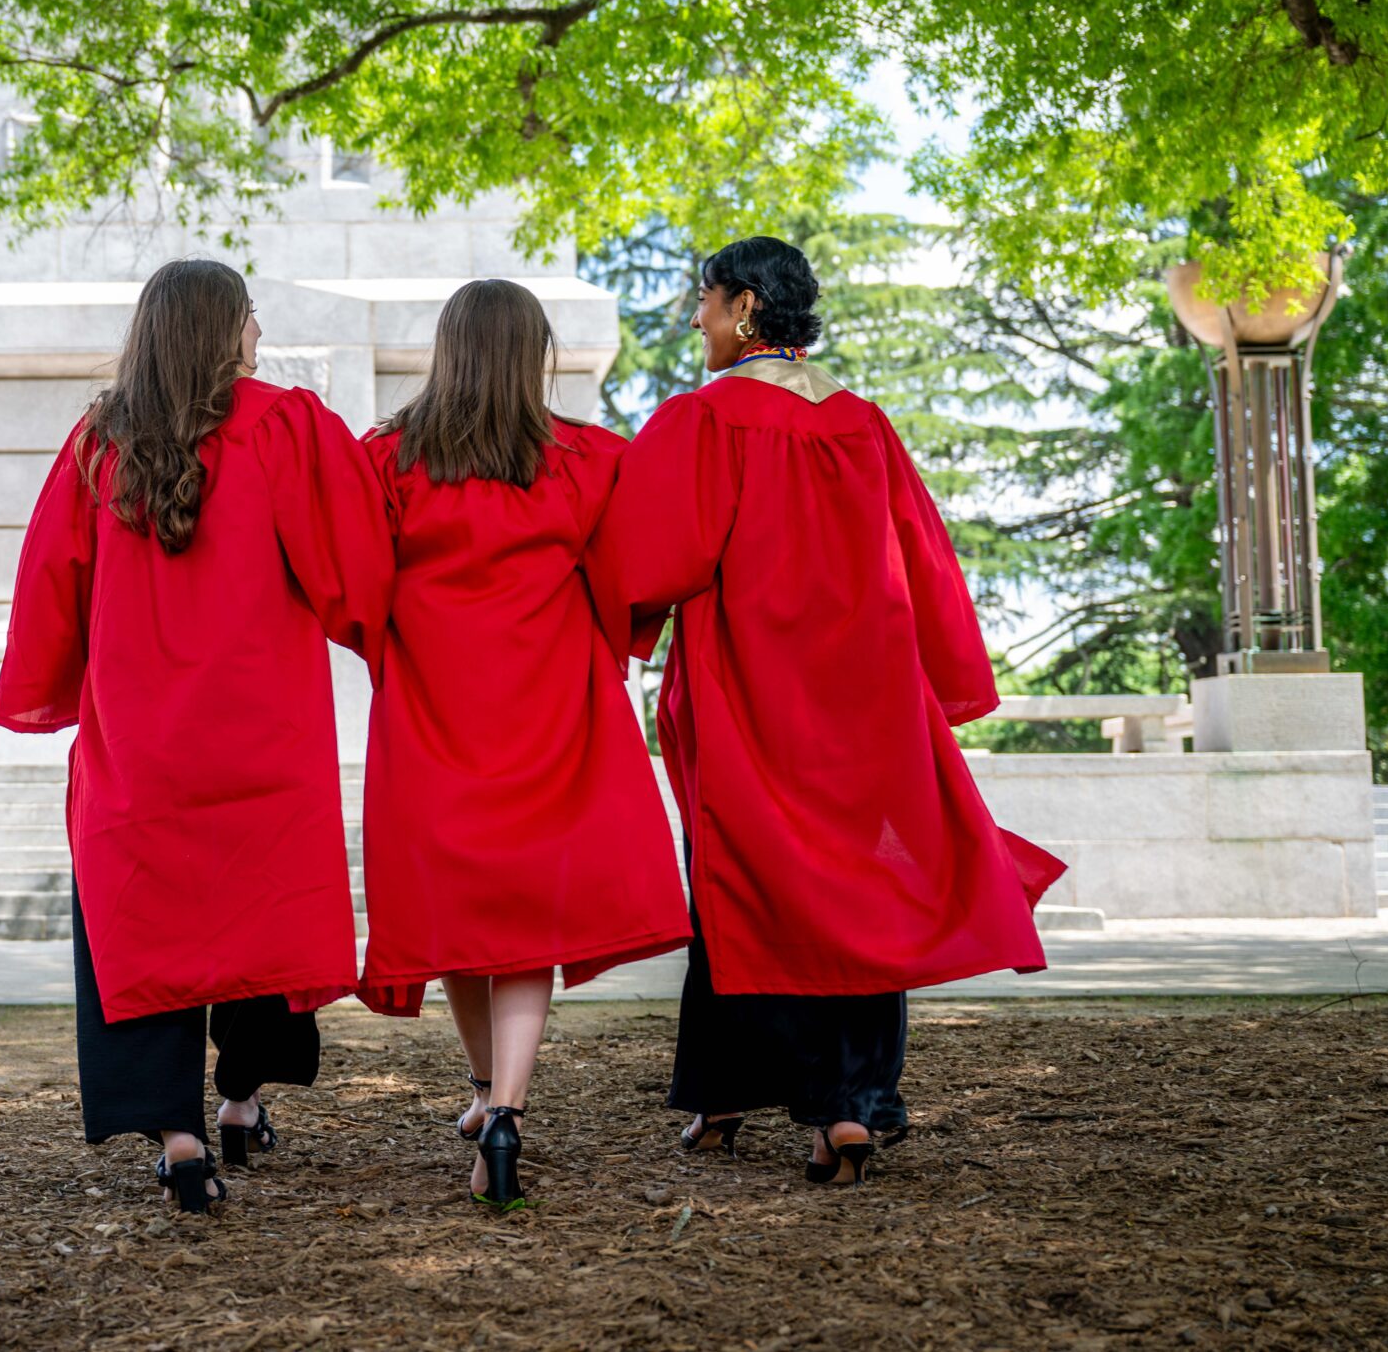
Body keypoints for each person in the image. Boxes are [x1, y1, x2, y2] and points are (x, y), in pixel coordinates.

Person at [588, 235, 1064, 1186]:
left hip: (753, 696)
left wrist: (610, 623)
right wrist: (939, 677)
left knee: (743, 883)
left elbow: (650, 563)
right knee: (866, 891)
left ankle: (749, 1100)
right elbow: (924, 562)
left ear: (748, 308)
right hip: (869, 701)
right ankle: (848, 1108)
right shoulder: (862, 424)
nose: (696, 319)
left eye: (708, 302)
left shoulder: (704, 420)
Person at [0, 258, 394, 1212]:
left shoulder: (99, 442)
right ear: (228, 331)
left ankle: (179, 1139)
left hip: (140, 745)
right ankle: (244, 1100)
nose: (259, 333)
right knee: (259, 922)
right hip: (263, 741)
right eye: (252, 316)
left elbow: (52, 586)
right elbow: (356, 571)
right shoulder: (288, 425)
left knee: (146, 930)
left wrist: (55, 691)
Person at [356, 279, 689, 1209]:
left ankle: (481, 1092)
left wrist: (390, 642)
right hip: (547, 710)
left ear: (448, 348)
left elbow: (354, 581)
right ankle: (504, 1107)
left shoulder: (385, 458)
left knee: (457, 916)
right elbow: (633, 581)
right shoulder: (587, 458)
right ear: (534, 353)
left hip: (431, 711)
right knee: (524, 929)